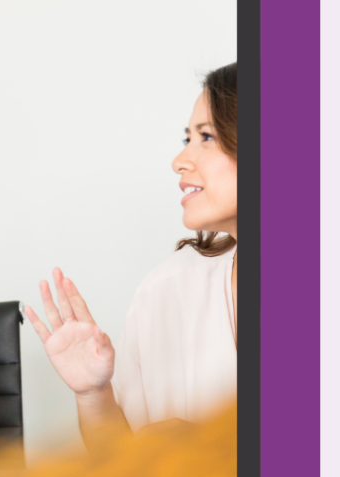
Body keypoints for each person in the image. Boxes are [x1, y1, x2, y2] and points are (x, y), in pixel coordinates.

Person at [24, 63, 237, 454]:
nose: (180, 160)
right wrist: (94, 394)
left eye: (206, 136)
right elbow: (119, 461)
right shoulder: (166, 290)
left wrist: (214, 453)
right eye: (187, 137)